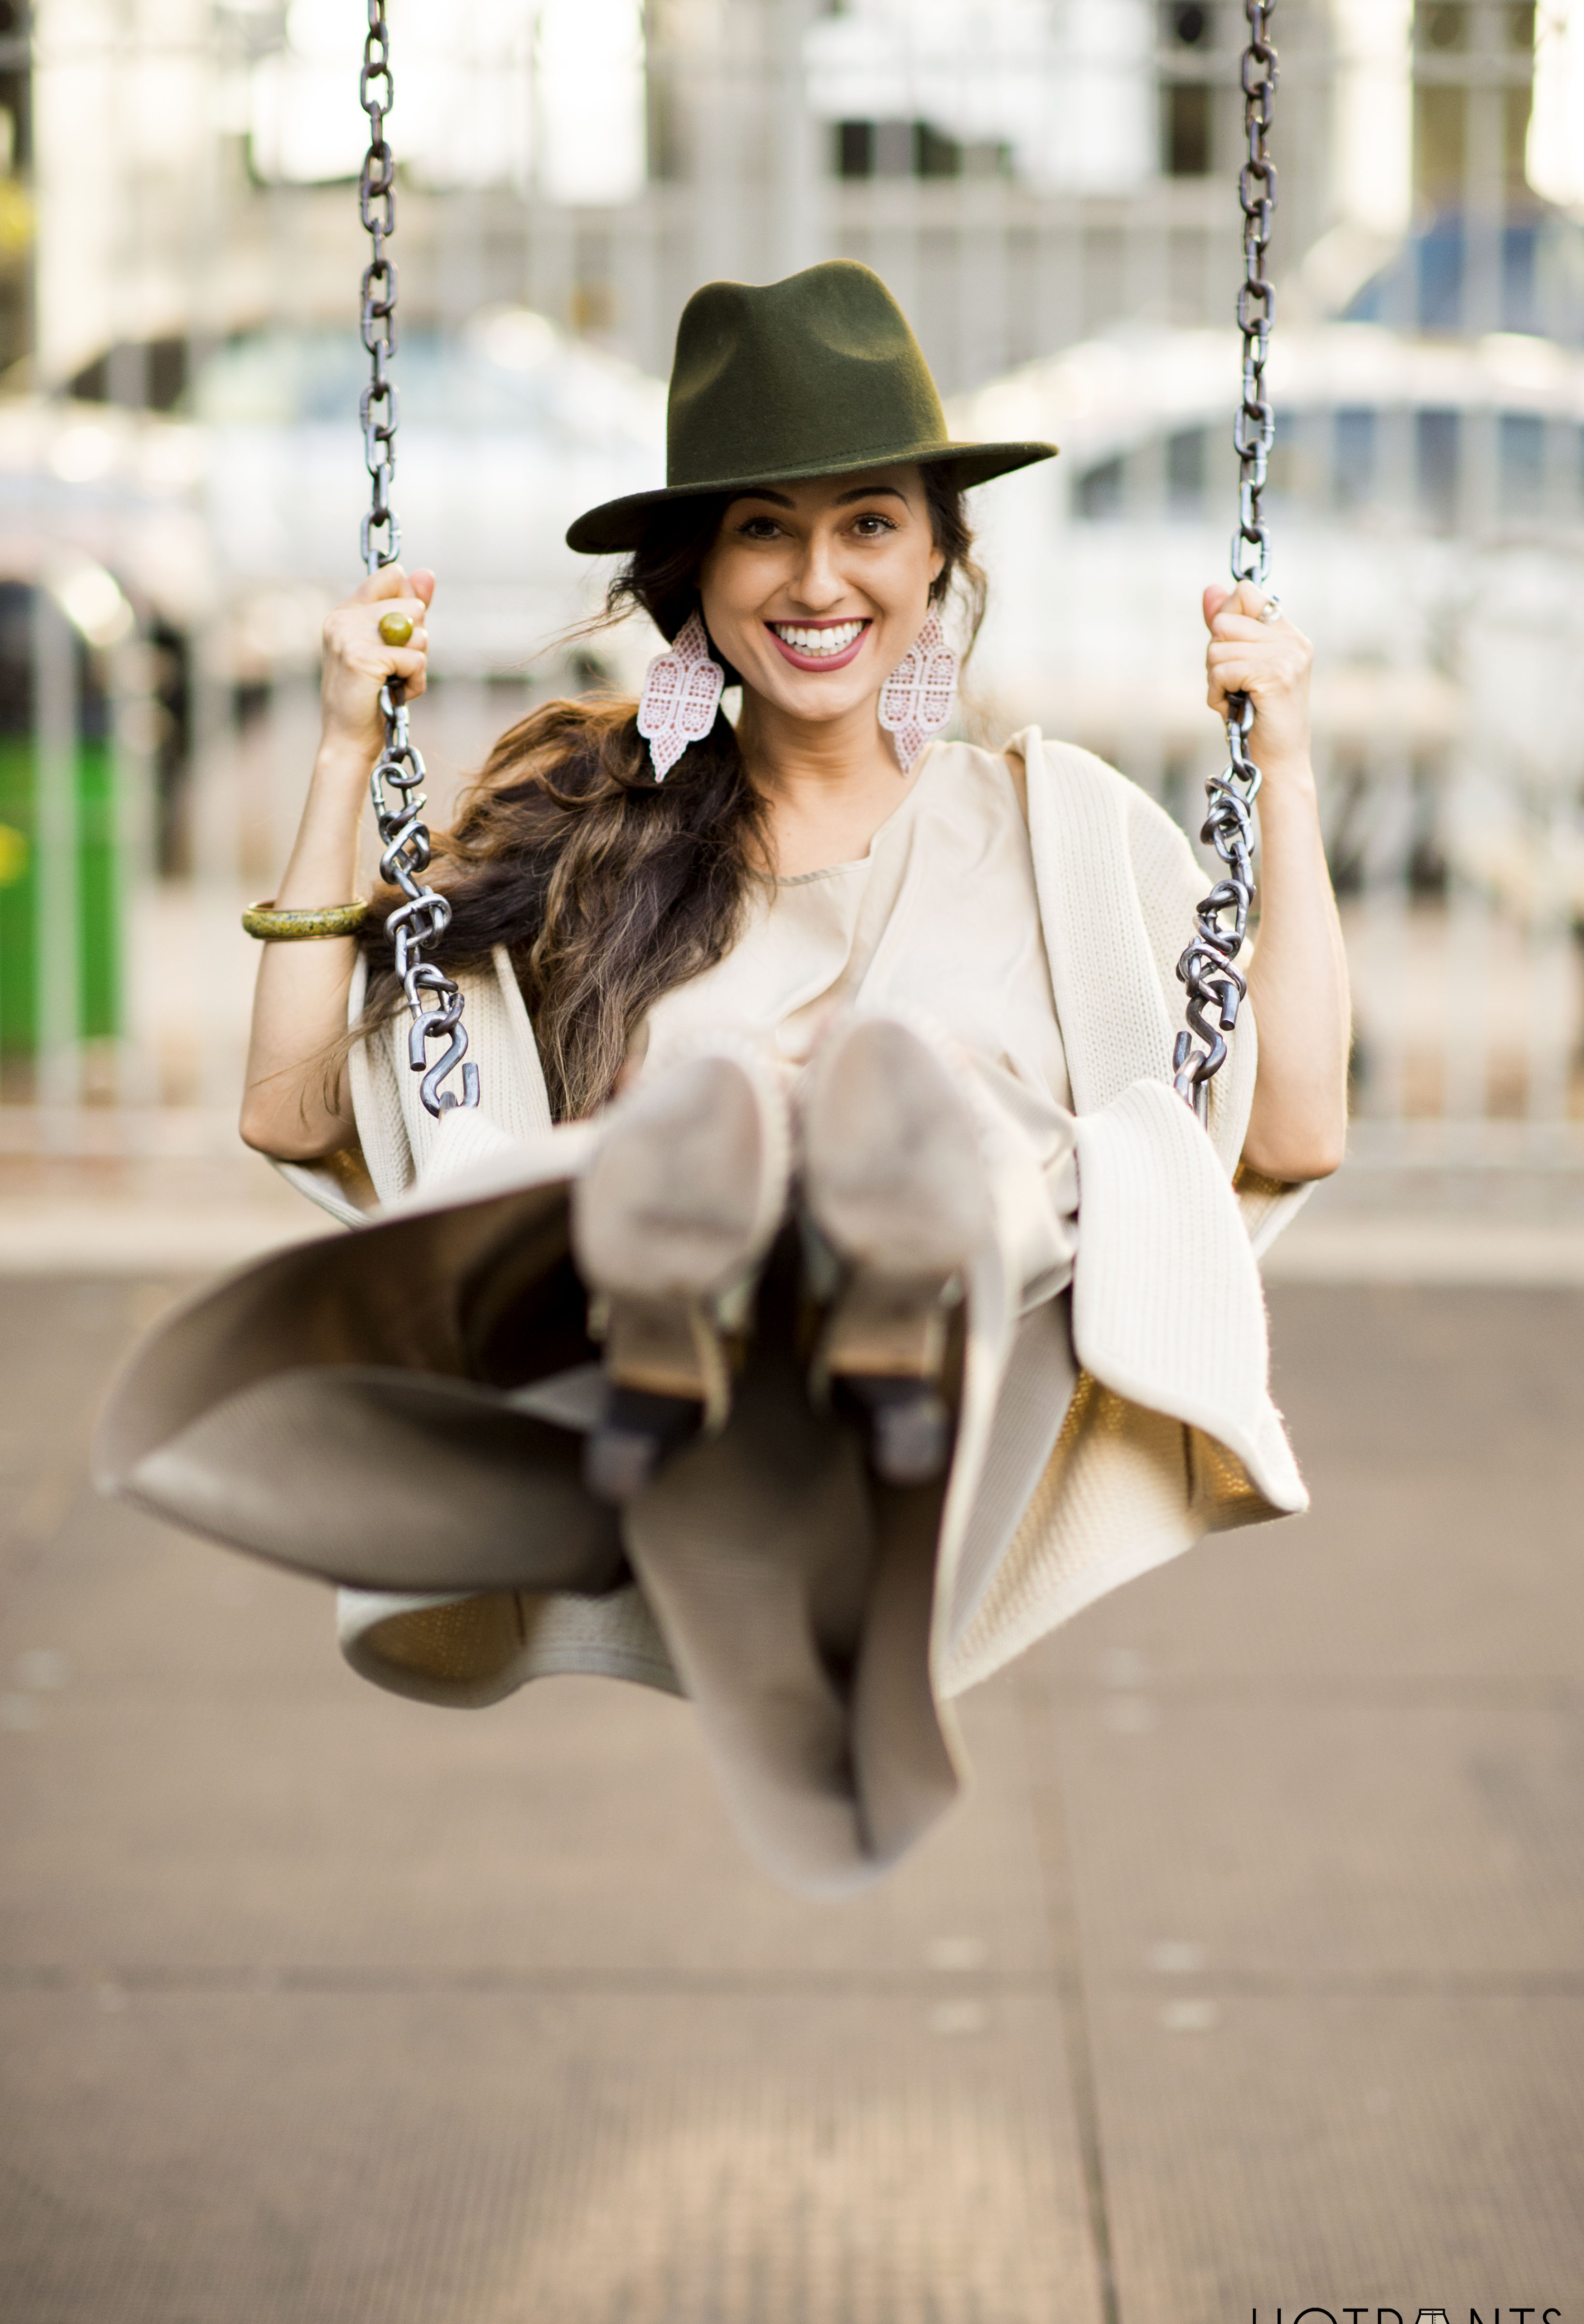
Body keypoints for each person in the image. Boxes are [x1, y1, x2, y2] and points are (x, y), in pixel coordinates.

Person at [100, 261, 1349, 1896]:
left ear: (938, 557)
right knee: (621, 1167)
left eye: (871, 523)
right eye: (765, 527)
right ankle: (725, 1222)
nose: (818, 578)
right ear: (696, 573)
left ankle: (853, 1205)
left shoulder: (1065, 834)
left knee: (977, 1148)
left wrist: (1287, 768)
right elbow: (294, 1116)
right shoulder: (582, 830)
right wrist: (349, 753)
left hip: (969, 1341)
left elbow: (1292, 1127)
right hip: (664, 1368)